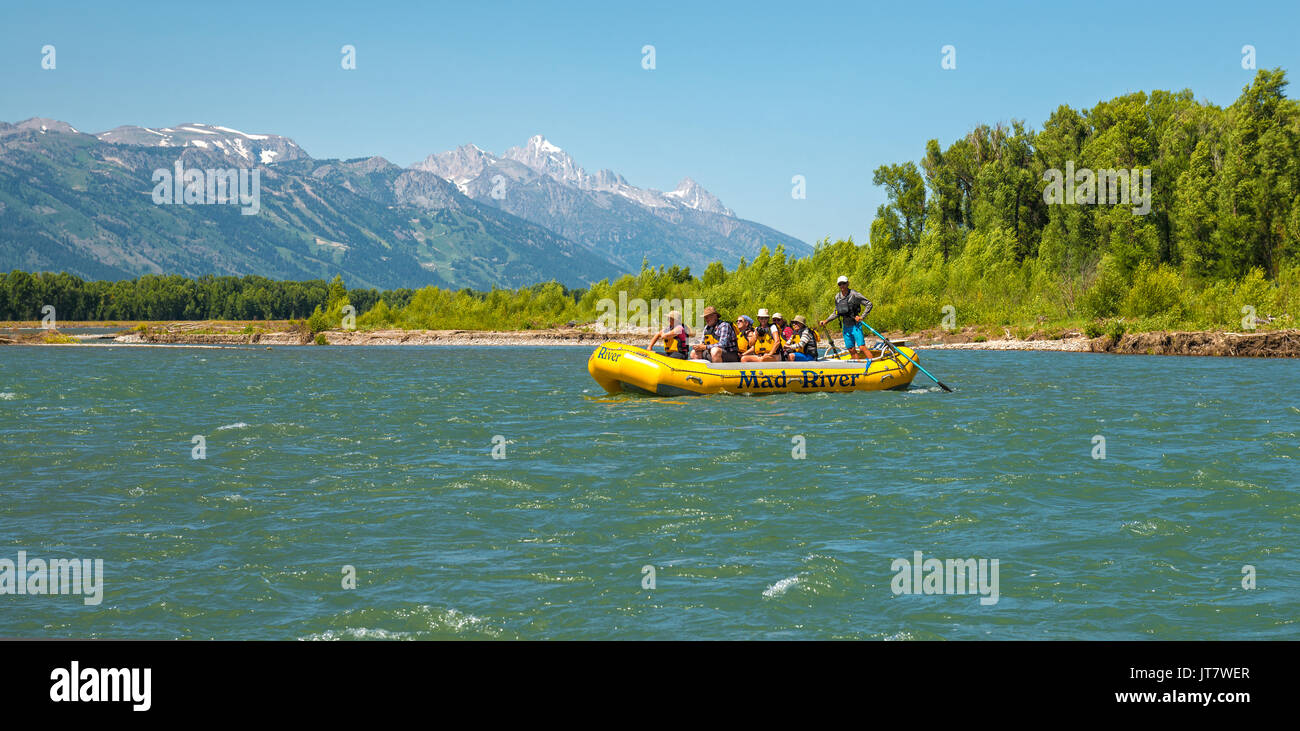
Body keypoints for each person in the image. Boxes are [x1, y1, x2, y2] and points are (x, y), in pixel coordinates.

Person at [819, 275, 874, 360]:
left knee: (862, 347)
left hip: (856, 325)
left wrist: (862, 317)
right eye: (840, 284)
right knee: (851, 349)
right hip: (846, 326)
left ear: (848, 283)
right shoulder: (837, 297)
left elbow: (869, 304)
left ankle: (873, 363)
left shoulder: (854, 294)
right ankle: (857, 366)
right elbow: (836, 312)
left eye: (844, 283)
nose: (842, 286)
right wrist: (826, 320)